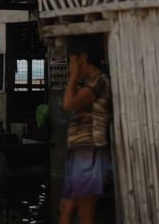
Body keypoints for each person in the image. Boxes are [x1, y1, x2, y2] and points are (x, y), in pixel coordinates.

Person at [60, 34, 111, 224]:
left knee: (85, 212)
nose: (71, 65)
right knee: (66, 208)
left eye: (73, 61)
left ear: (83, 58)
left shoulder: (99, 81)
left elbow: (69, 103)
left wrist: (73, 77)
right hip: (80, 151)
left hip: (91, 150)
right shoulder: (89, 83)